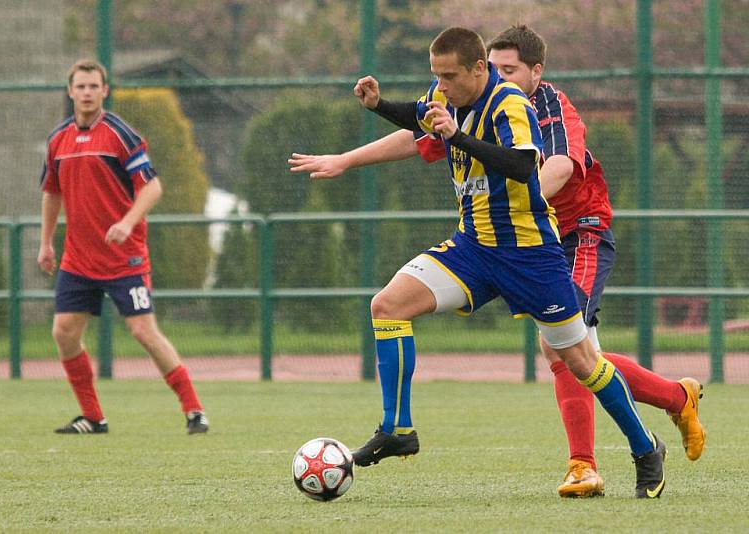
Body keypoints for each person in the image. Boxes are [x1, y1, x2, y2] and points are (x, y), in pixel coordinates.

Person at [292, 27, 668, 498]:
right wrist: (379, 107)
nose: (441, 87)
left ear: (478, 69)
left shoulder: (509, 103)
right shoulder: (444, 94)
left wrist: (457, 136)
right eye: (436, 77)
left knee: (580, 360)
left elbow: (523, 166)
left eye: (449, 77)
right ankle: (397, 430)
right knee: (387, 305)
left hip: (531, 255)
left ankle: (644, 447)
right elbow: (419, 119)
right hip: (473, 248)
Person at [38, 59, 209, 435]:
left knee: (144, 333)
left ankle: (194, 409)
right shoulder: (58, 141)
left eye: (93, 86)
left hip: (123, 256)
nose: (86, 92)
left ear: (104, 91)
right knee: (64, 332)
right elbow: (51, 192)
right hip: (78, 259)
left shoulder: (121, 134)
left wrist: (127, 221)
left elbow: (152, 186)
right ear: (70, 92)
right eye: (80, 86)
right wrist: (46, 242)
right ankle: (93, 417)